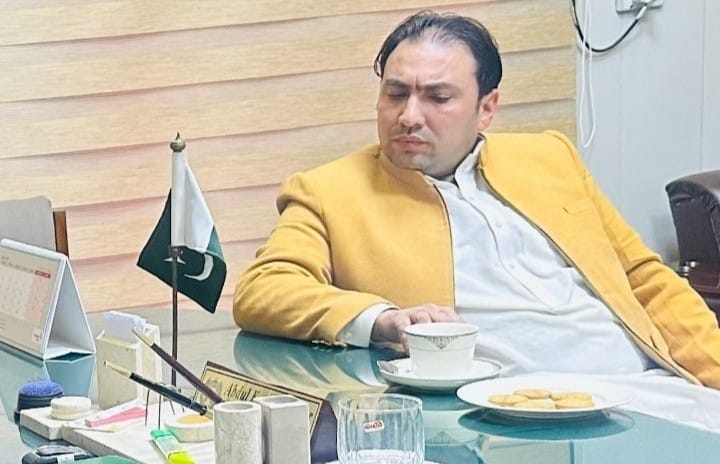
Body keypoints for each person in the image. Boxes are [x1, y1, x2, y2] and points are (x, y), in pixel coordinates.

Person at [233, 10, 720, 399]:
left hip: (649, 389)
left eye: (438, 98)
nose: (409, 116)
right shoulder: (330, 191)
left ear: (487, 108)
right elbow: (264, 289)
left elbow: (641, 277)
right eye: (395, 94)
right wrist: (382, 319)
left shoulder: (550, 157)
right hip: (503, 411)